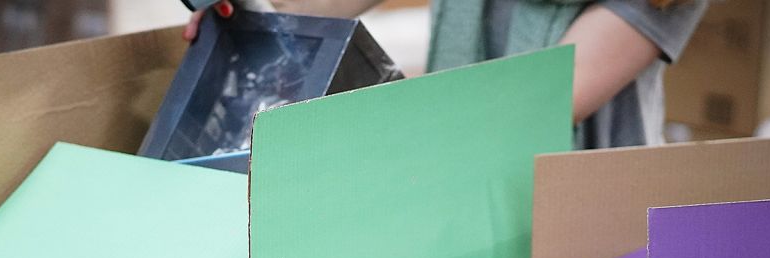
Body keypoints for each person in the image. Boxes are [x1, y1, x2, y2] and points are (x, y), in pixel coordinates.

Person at [185, 0, 707, 149]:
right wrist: (249, 12)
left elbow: (539, 101)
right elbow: (309, 5)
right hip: (455, 179)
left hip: (575, 209)